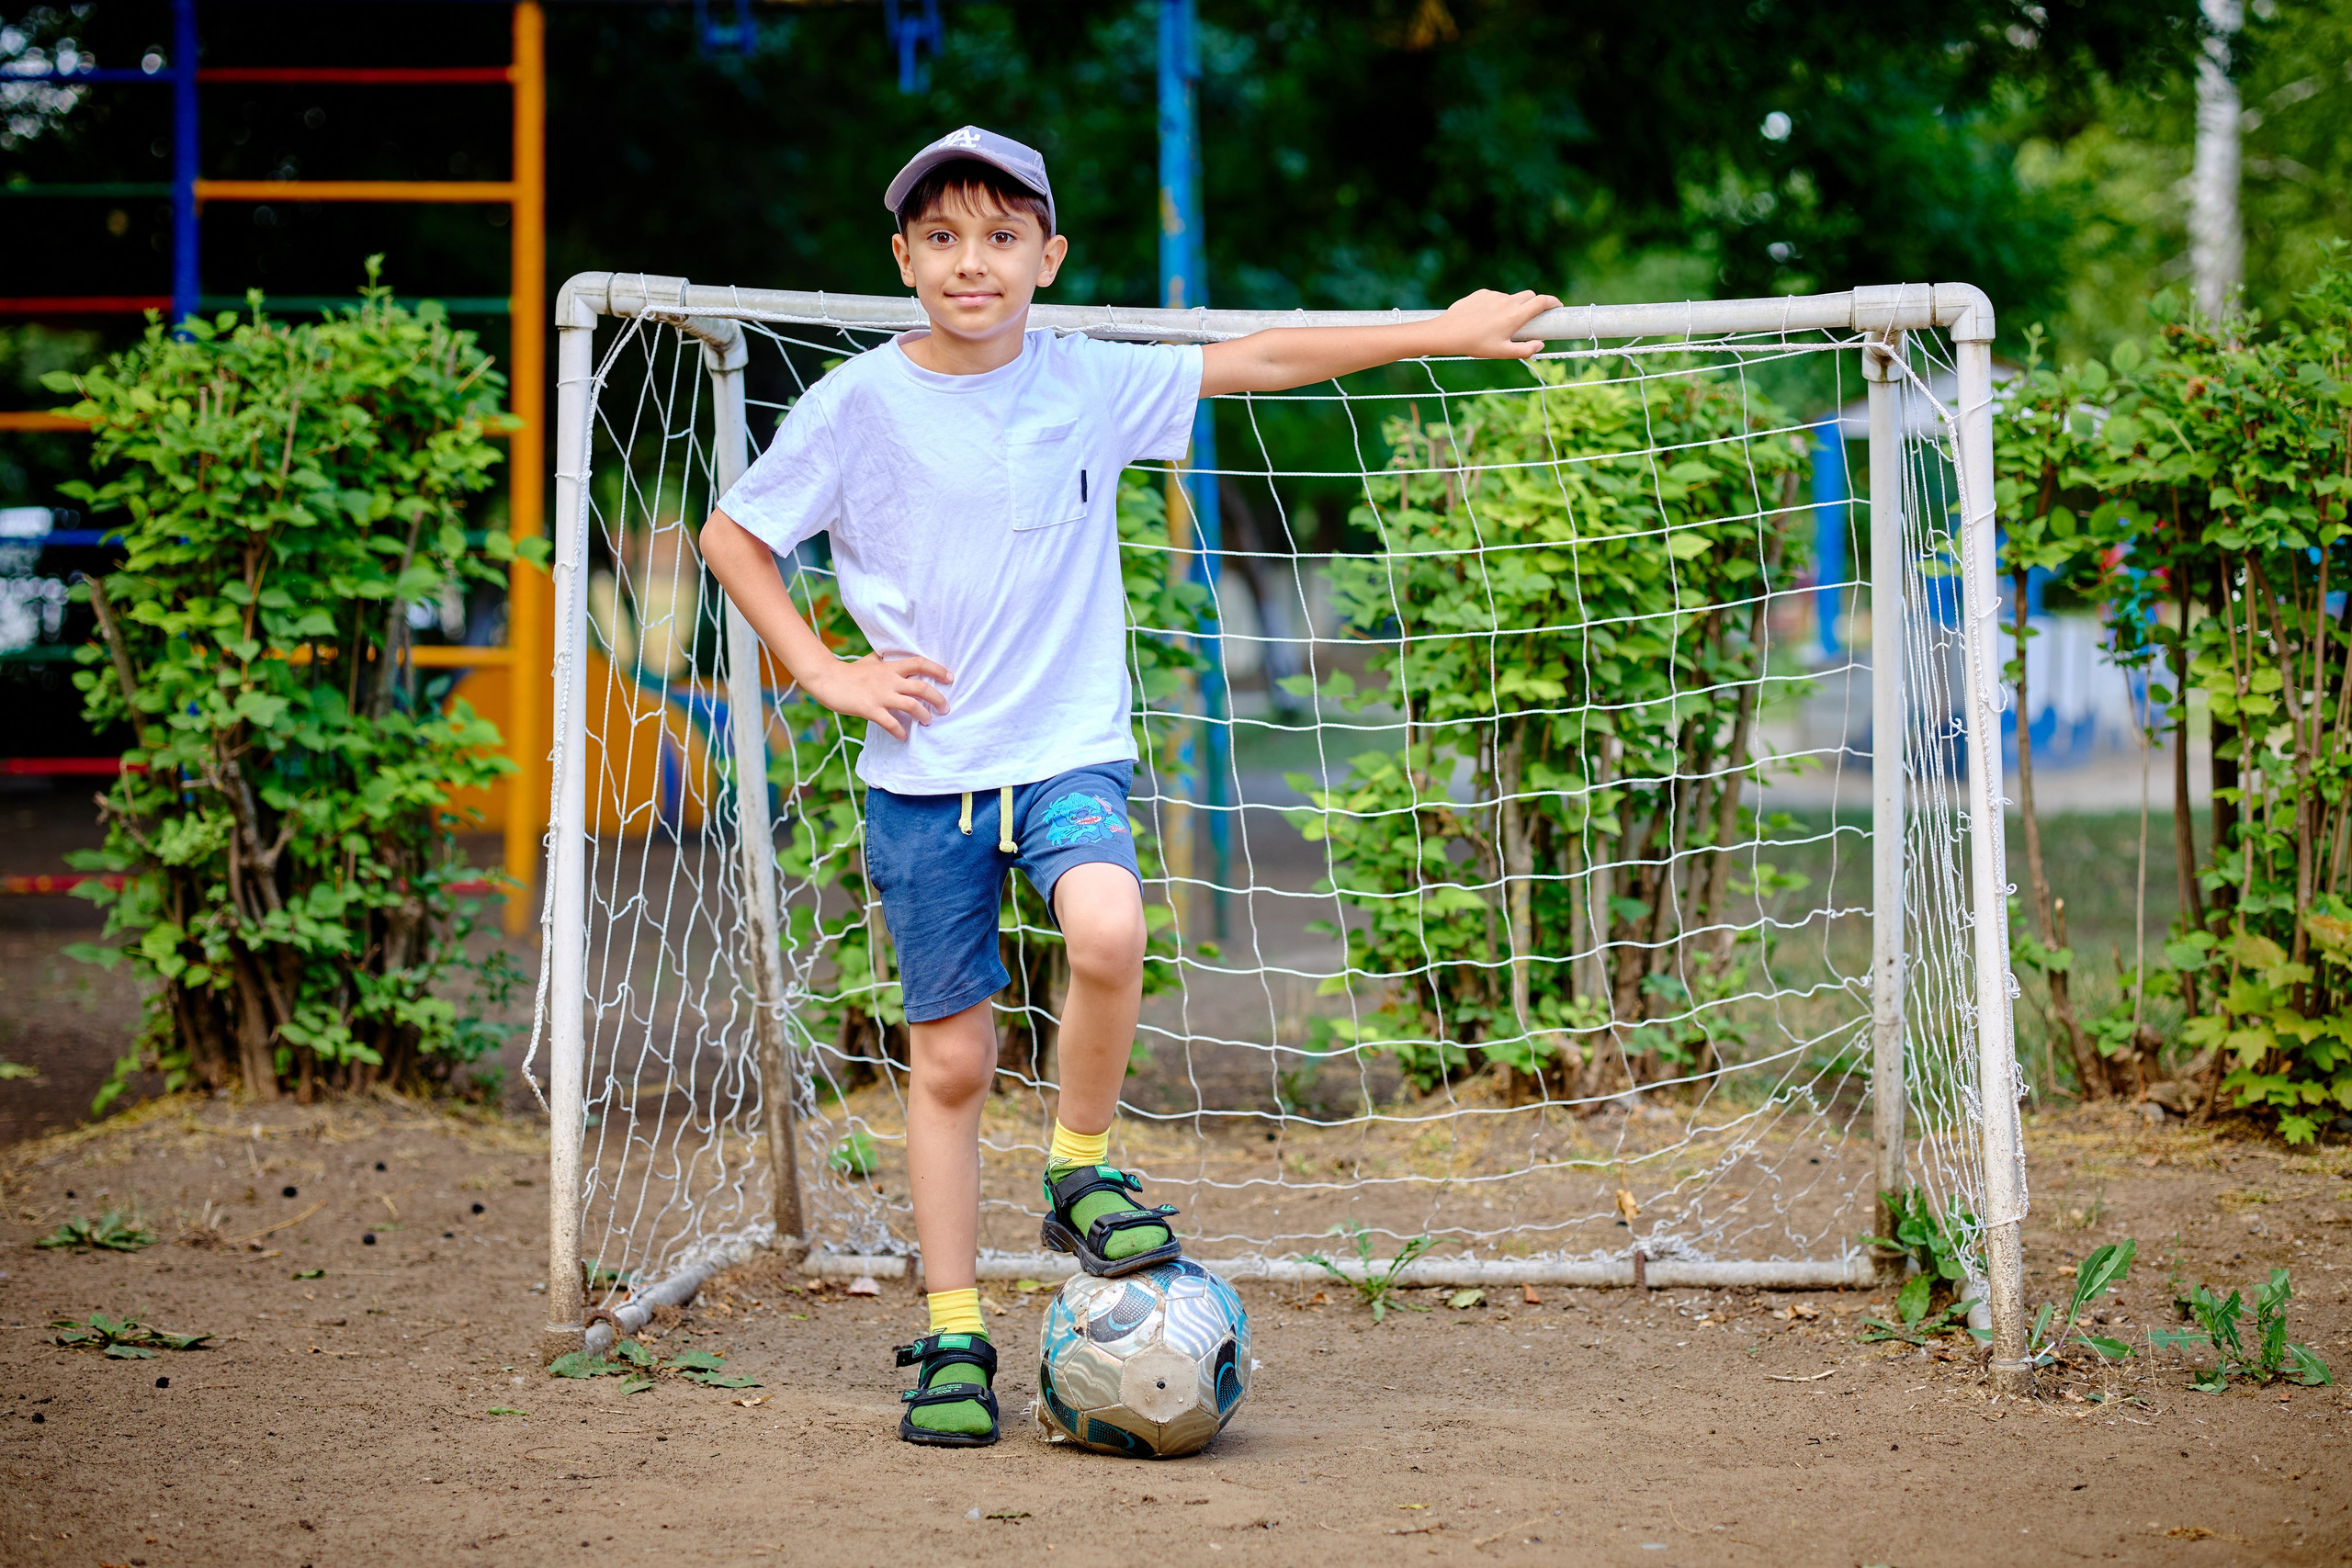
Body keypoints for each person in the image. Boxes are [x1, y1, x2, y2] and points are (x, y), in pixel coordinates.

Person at [699, 125, 1558, 1447]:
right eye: (940, 239)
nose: (969, 262)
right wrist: (823, 671)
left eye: (999, 237)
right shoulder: (860, 403)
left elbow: (1260, 359)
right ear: (903, 258)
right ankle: (952, 1330)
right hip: (927, 776)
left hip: (1066, 750)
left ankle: (1081, 1167)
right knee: (954, 1060)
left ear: (1049, 254)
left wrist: (1437, 332)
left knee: (1108, 929)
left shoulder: (1086, 380)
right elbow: (733, 535)